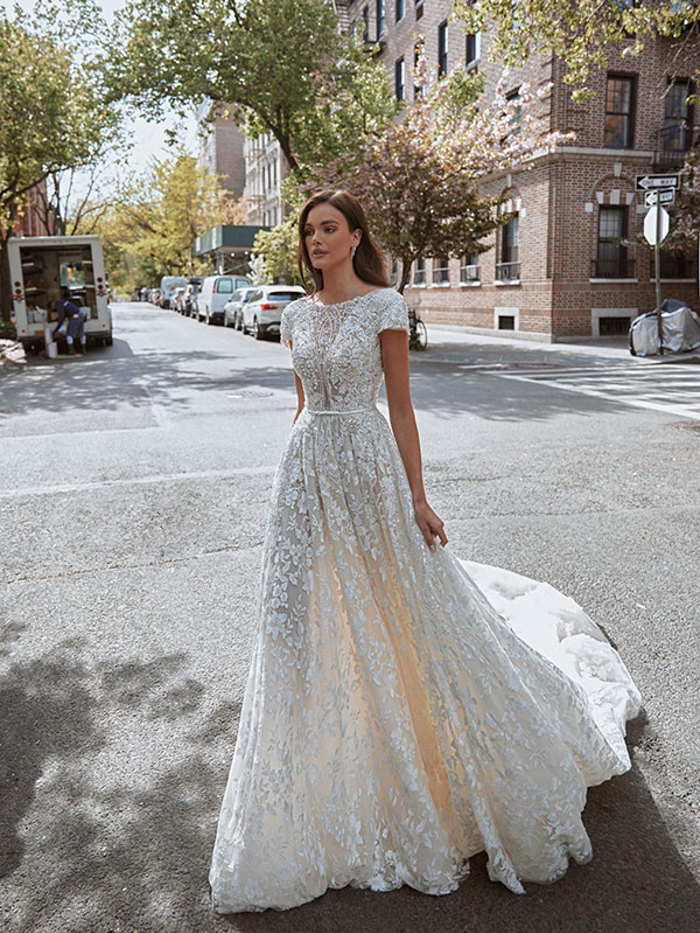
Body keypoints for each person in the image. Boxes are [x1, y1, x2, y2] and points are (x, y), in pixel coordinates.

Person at [209, 189, 643, 914]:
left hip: (370, 465)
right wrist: (290, 481)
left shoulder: (386, 306)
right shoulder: (292, 315)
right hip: (306, 474)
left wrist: (417, 495)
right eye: (308, 230)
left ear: (354, 237)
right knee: (296, 622)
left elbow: (402, 407)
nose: (315, 240)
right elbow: (299, 404)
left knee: (402, 608)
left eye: (328, 229)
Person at [53, 288, 86, 357]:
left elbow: (61, 319)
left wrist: (55, 331)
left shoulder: (59, 304)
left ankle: (71, 350)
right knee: (81, 333)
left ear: (53, 304)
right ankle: (83, 349)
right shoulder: (63, 302)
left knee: (69, 333)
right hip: (80, 314)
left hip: (75, 316)